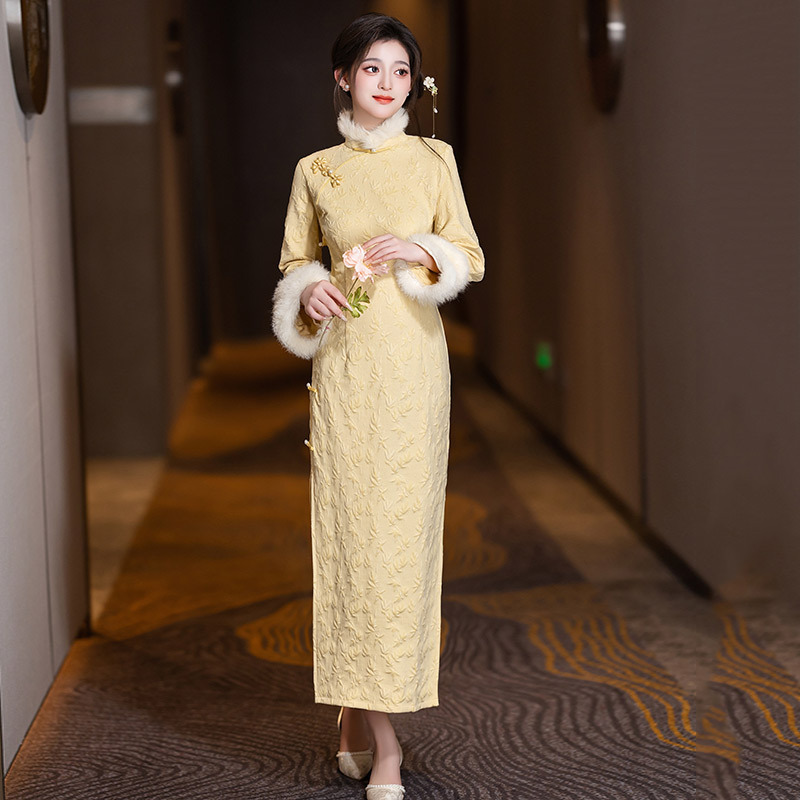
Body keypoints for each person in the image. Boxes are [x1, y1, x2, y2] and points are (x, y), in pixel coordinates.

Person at [271, 12, 484, 799]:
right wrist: (309, 291)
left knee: (400, 549)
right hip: (347, 376)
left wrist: (421, 249)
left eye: (400, 70)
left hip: (414, 375)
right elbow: (295, 262)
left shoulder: (434, 159)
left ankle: (363, 722)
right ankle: (378, 737)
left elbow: (470, 255)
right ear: (343, 78)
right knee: (352, 544)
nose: (387, 84)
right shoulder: (316, 171)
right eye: (371, 69)